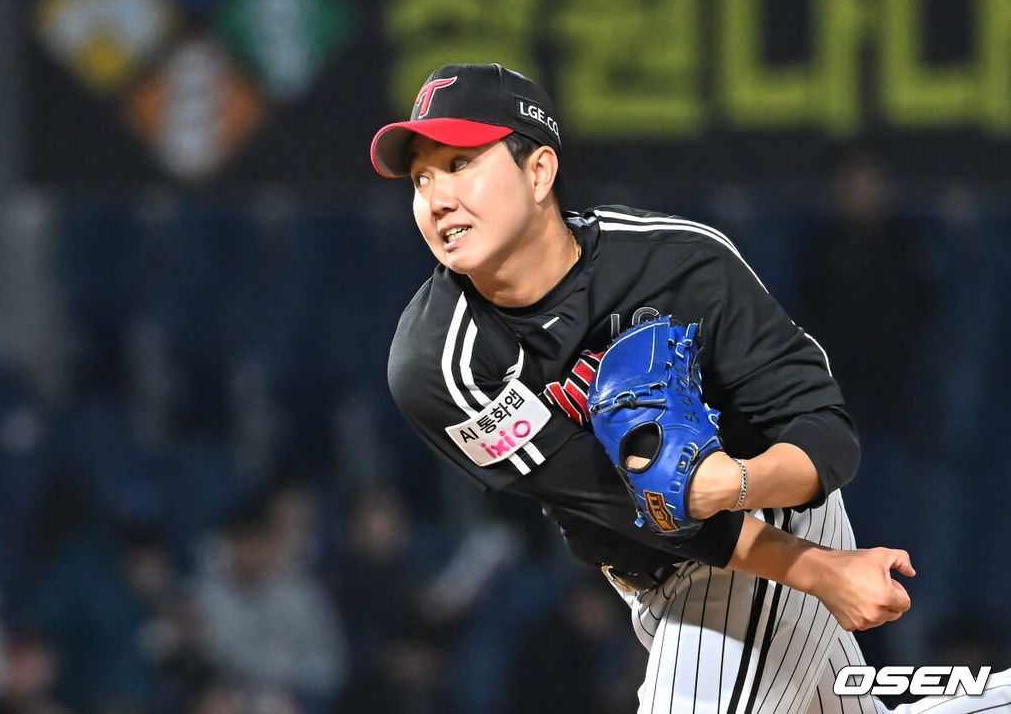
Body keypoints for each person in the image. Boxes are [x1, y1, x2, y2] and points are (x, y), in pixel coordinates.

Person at [370, 63, 1011, 714]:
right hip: (658, 567)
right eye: (420, 177)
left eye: (460, 164)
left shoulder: (675, 264)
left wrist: (738, 489)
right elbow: (614, 504)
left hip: (767, 521)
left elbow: (823, 430)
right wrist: (815, 568)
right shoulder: (435, 363)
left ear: (538, 172)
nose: (436, 197)